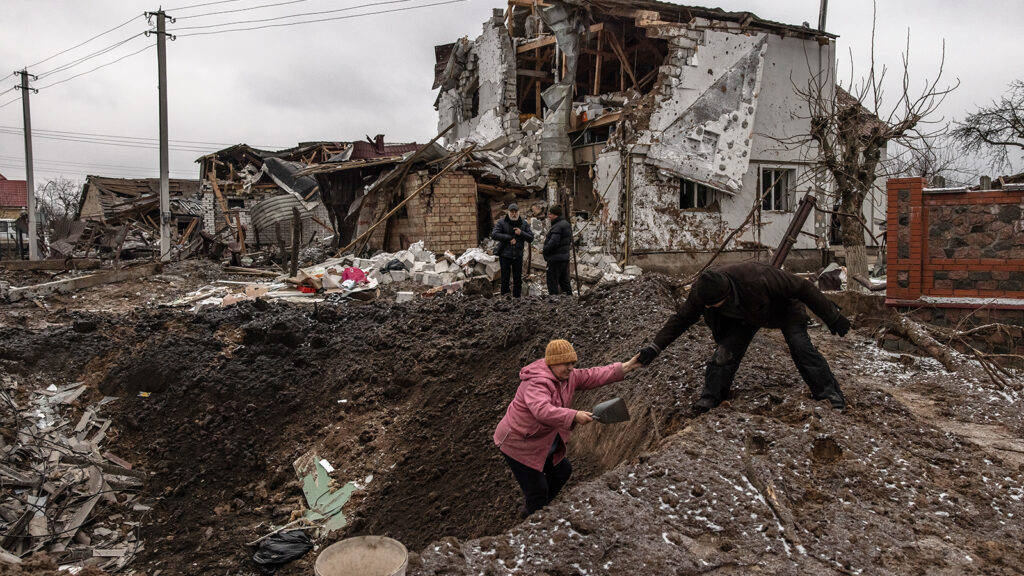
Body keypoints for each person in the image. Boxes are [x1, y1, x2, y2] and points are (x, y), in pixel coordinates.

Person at [636, 262, 851, 412]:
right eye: (706, 305)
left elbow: (804, 288)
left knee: (801, 348)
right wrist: (655, 347)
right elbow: (681, 319)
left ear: (726, 295)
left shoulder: (758, 277)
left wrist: (833, 317)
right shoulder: (703, 292)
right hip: (743, 318)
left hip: (784, 310)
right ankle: (711, 397)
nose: (708, 308)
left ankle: (829, 396)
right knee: (724, 353)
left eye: (713, 305)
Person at [494, 339, 643, 518]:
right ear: (552, 362)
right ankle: (532, 521)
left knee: (562, 471)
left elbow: (593, 375)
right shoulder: (536, 383)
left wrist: (626, 367)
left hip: (542, 442)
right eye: (566, 364)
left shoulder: (567, 377)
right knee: (537, 492)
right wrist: (573, 415)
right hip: (518, 444)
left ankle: (539, 512)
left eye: (573, 363)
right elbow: (542, 410)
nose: (571, 368)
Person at [491, 203, 534, 297]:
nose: (514, 214)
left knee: (517, 279)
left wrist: (521, 233)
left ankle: (517, 300)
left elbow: (531, 238)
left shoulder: (523, 223)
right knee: (505, 279)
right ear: (508, 212)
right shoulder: (501, 222)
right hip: (505, 255)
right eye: (512, 212)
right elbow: (494, 234)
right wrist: (508, 238)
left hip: (518, 255)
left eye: (515, 212)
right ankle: (505, 299)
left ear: (519, 212)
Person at [542, 205, 573, 295]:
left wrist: (545, 250)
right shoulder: (565, 224)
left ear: (556, 215)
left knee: (552, 283)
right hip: (563, 258)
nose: (549, 216)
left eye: (550, 214)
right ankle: (570, 300)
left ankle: (553, 301)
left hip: (555, 259)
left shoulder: (557, 226)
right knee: (564, 281)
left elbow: (554, 242)